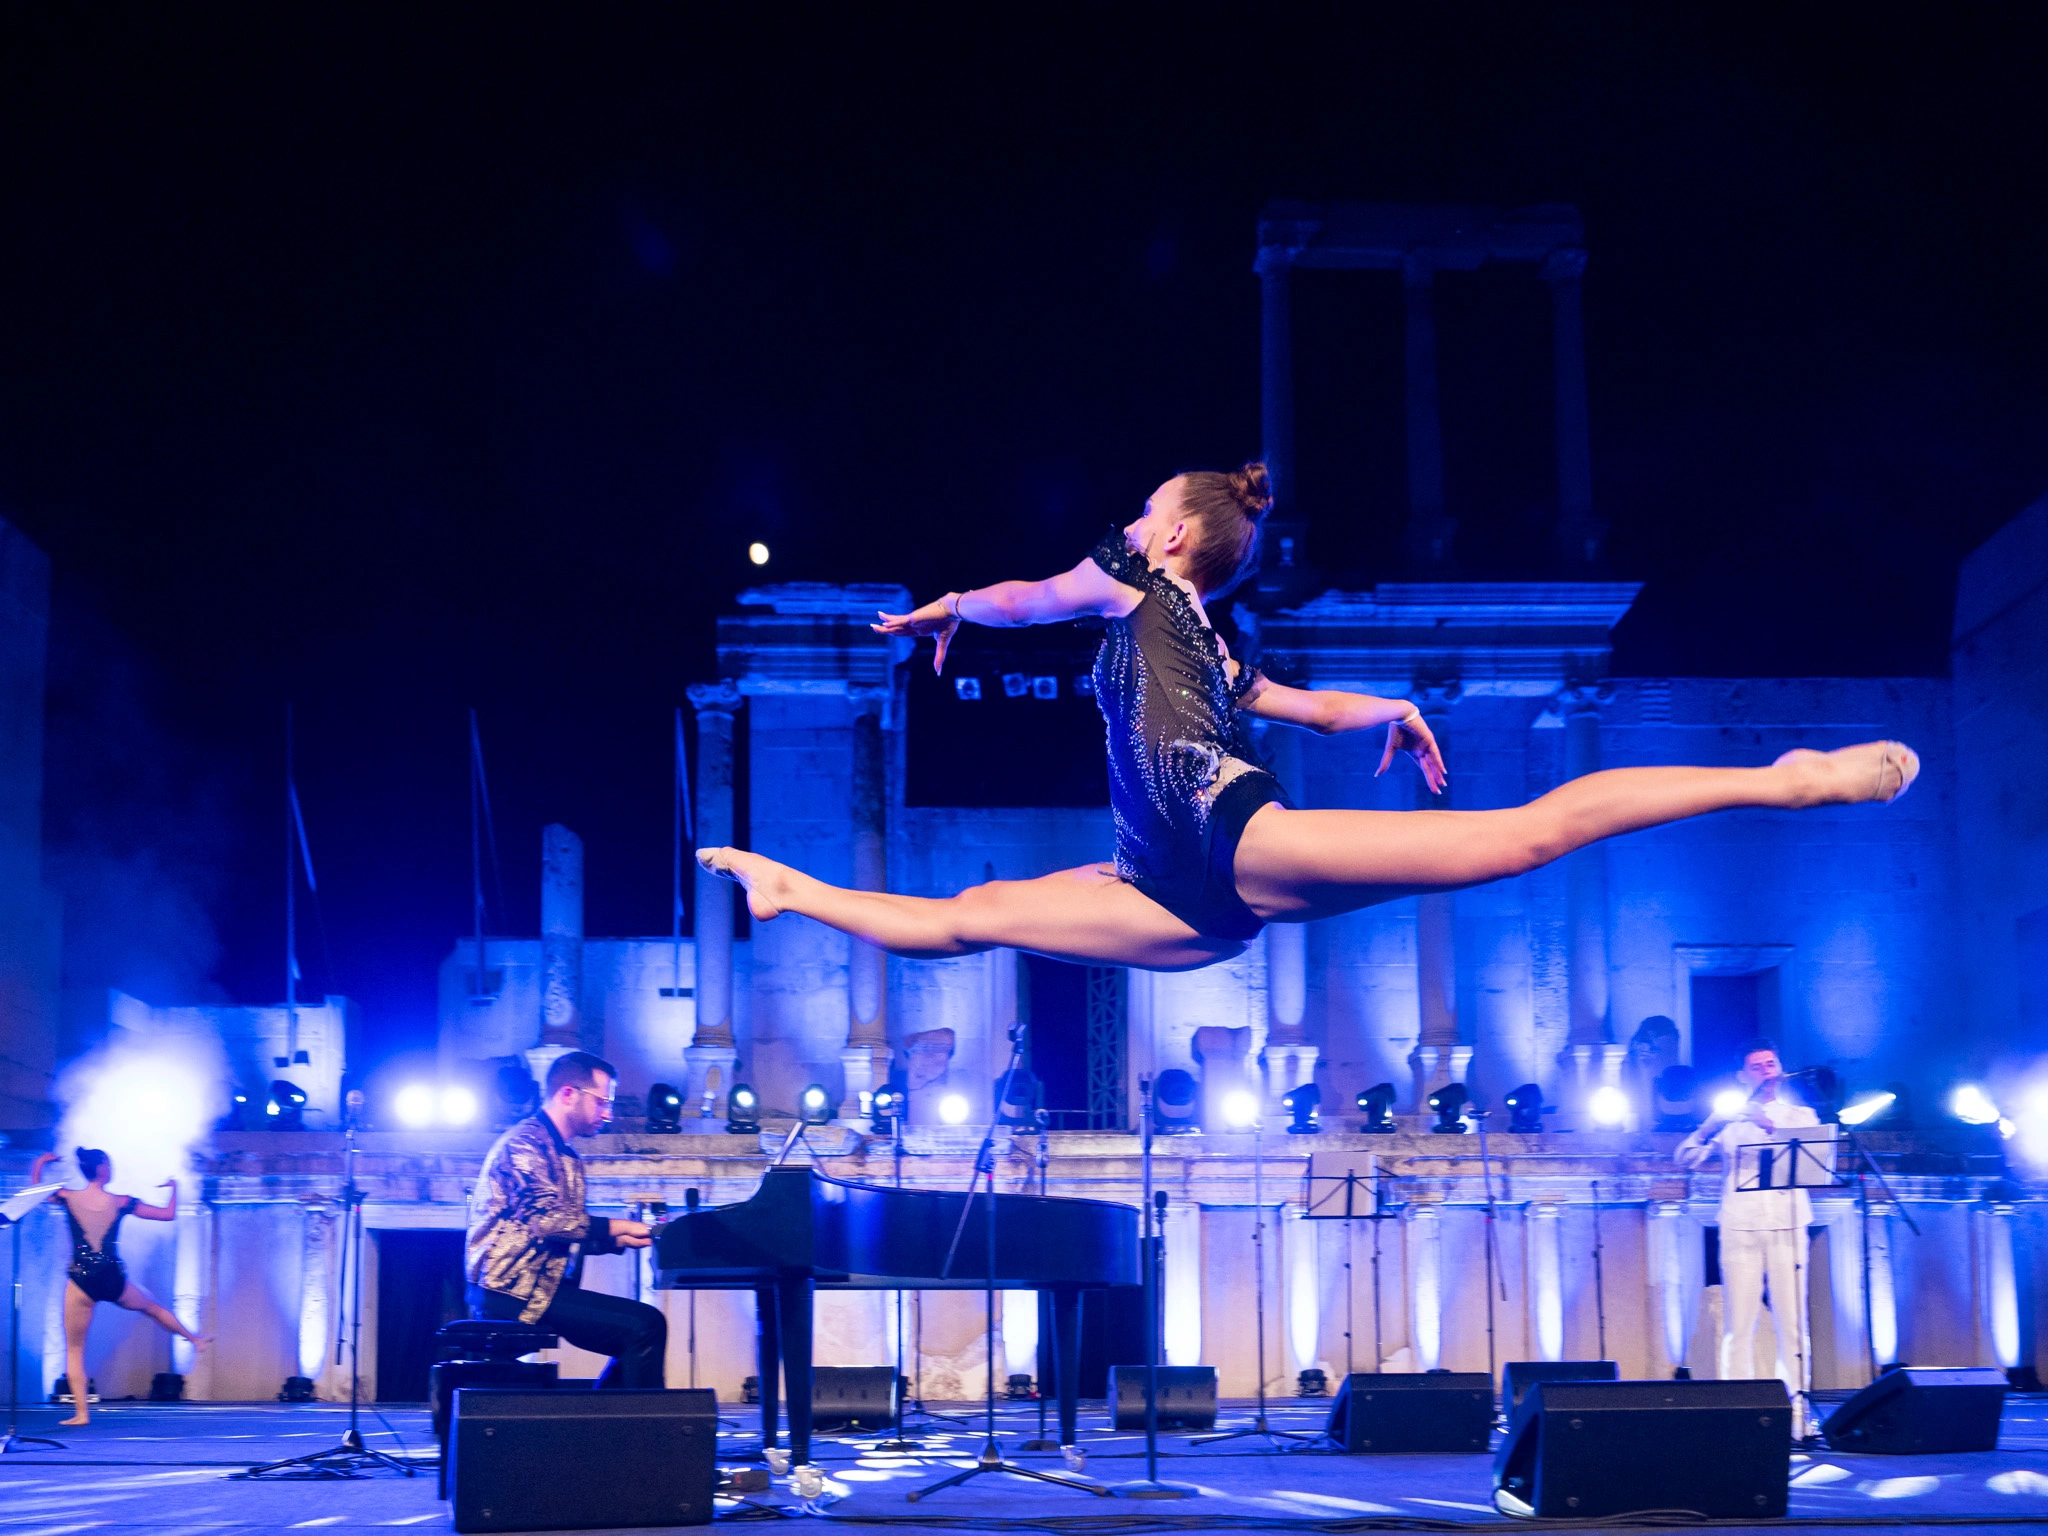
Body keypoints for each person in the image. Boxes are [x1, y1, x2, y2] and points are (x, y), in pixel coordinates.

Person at [697, 463, 1920, 971]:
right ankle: (790, 892)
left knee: (1521, 836)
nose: (1124, 529)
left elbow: (1027, 598)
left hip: (1227, 840)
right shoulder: (1194, 639)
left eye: (1139, 515)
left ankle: (1785, 778)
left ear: (1171, 536)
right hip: (1168, 890)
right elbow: (1311, 704)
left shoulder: (1139, 585)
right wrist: (1385, 702)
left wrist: (948, 607)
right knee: (969, 922)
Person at [465, 1050, 666, 1387]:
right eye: (602, 1102)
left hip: (540, 1287)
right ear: (569, 1094)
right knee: (644, 1326)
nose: (609, 1113)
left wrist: (615, 1240)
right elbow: (547, 1220)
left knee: (641, 1327)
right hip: (509, 1290)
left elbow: (561, 1233)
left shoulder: (566, 1155)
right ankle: (631, 1434)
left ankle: (606, 1429)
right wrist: (616, 1226)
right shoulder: (525, 1143)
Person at [1676, 1040, 1822, 1429]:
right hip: (1740, 1226)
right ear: (1743, 1076)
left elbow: (1817, 1160)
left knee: (1792, 1323)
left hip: (1788, 1225)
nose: (1766, 1070)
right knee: (1738, 1325)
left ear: (1782, 1069)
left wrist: (1769, 1125)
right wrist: (1710, 1125)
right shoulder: (1730, 1120)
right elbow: (1685, 1159)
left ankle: (1796, 1415)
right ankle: (1736, 1415)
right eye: (1756, 1066)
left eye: (1771, 1063)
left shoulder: (1799, 1114)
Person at [26, 1146, 207, 1427]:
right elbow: (167, 1214)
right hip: (112, 1278)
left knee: (74, 1349)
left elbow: (35, 1194)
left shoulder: (68, 1197)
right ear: (102, 1169)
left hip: (81, 1279)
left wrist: (40, 1162)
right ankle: (194, 1339)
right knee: (152, 1307)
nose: (111, 1169)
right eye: (108, 1164)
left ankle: (82, 1414)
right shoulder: (120, 1201)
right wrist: (174, 1188)